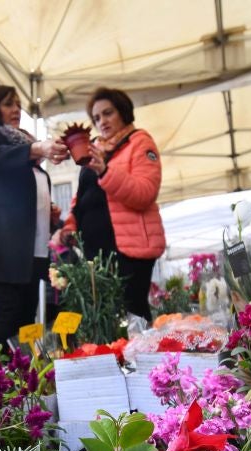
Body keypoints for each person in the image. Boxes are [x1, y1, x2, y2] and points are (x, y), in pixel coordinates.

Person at [0, 85, 69, 350]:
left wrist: (50, 213)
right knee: (9, 313)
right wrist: (36, 148)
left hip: (31, 251)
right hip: (2, 249)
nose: (16, 110)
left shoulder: (26, 154)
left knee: (26, 315)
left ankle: (22, 376)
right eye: (8, 104)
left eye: (17, 104)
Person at [50, 87, 166, 322]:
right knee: (104, 319)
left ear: (122, 112)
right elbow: (81, 199)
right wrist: (69, 228)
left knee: (132, 314)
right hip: (95, 252)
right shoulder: (95, 150)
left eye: (107, 113)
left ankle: (142, 359)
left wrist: (105, 170)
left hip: (130, 250)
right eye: (96, 118)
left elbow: (145, 193)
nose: (101, 121)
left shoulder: (140, 142)